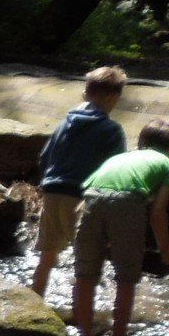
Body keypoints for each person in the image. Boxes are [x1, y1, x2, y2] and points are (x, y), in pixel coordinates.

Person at [71, 119, 169, 336]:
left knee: (85, 278)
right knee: (125, 279)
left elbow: (86, 201)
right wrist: (165, 248)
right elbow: (157, 212)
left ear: (140, 144)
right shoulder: (166, 164)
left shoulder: (117, 159)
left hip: (90, 203)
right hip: (128, 205)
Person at [29, 65, 129, 297]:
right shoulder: (112, 130)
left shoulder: (64, 124)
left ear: (85, 94)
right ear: (114, 98)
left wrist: (47, 186)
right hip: (82, 199)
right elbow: (116, 172)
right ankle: (81, 312)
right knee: (86, 260)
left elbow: (45, 158)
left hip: (52, 193)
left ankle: (34, 302)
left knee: (47, 257)